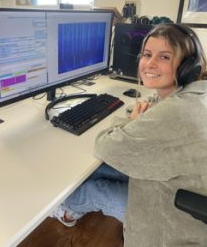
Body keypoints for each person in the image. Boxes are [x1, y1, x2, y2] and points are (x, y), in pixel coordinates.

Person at [50, 24, 207, 246]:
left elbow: (104, 146)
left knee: (94, 187)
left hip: (173, 218)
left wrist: (132, 121)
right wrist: (140, 118)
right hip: (181, 185)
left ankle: (61, 211)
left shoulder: (177, 111)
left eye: (163, 57)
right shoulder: (197, 92)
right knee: (97, 171)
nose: (150, 64)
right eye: (147, 55)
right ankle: (69, 209)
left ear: (188, 65)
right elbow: (156, 104)